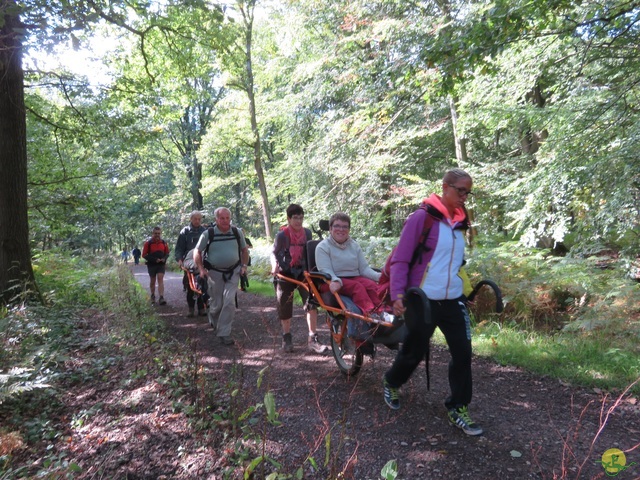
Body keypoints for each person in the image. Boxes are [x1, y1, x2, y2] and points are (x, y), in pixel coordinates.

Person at [381, 168, 483, 436]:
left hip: (451, 301)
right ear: (445, 187)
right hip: (423, 300)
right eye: (460, 190)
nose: (464, 196)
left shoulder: (461, 223)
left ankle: (458, 407)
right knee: (413, 351)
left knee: (463, 352)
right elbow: (401, 259)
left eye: (468, 191)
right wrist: (398, 295)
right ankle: (392, 381)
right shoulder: (422, 218)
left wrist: (465, 292)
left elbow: (456, 265)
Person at [271, 204, 328, 354]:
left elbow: (311, 252)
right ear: (289, 218)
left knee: (312, 303)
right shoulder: (282, 236)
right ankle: (286, 337)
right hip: (286, 273)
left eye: (301, 218)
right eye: (295, 218)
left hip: (304, 274)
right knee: (284, 305)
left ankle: (313, 338)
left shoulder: (307, 233)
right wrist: (274, 265)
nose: (298, 221)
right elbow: (274, 253)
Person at [193, 207, 249, 346]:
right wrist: (201, 269)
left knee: (229, 301)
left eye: (227, 218)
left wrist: (244, 266)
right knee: (217, 303)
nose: (225, 221)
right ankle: (212, 315)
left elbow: (244, 250)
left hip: (233, 272)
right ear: (216, 219)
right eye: (222, 218)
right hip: (214, 273)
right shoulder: (208, 233)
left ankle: (224, 332)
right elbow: (197, 251)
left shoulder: (237, 232)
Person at [315, 212, 385, 320]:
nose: (341, 229)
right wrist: (335, 280)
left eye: (345, 227)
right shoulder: (323, 247)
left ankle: (383, 313)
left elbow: (364, 269)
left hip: (354, 277)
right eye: (337, 226)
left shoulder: (354, 245)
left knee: (372, 285)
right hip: (331, 281)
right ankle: (370, 315)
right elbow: (325, 269)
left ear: (349, 229)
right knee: (357, 287)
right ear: (330, 228)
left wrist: (380, 276)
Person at [175, 210, 207, 318]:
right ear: (191, 219)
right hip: (189, 261)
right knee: (190, 285)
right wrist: (179, 260)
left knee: (203, 283)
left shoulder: (204, 231)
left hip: (202, 260)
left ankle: (202, 307)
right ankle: (191, 308)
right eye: (195, 219)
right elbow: (179, 248)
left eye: (199, 219)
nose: (197, 221)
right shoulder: (185, 232)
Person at [142, 226, 170, 305]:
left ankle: (161, 297)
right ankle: (152, 295)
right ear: (152, 233)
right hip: (152, 264)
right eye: (155, 233)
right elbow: (144, 255)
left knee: (160, 278)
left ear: (160, 233)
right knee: (153, 280)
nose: (157, 235)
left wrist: (164, 258)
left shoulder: (164, 243)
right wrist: (154, 260)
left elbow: (167, 253)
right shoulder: (148, 243)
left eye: (158, 233)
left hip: (161, 264)